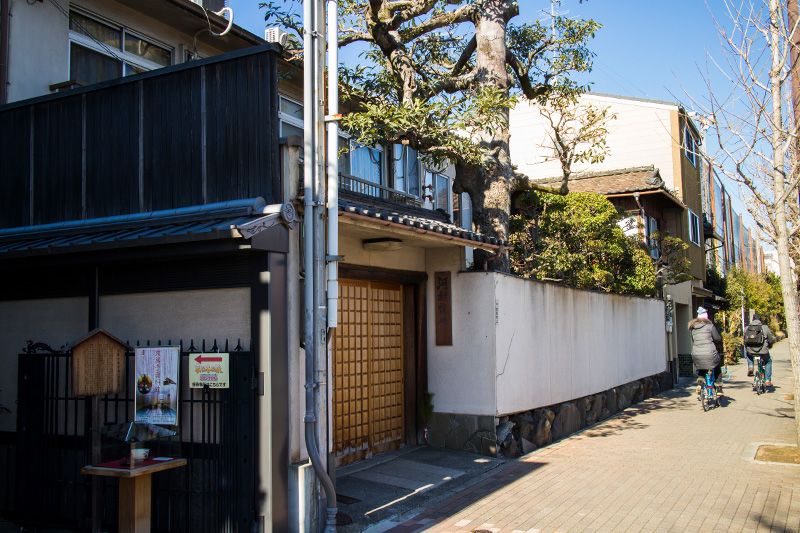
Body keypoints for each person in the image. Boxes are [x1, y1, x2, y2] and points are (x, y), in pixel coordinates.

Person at [689, 306, 723, 394]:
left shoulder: (693, 328)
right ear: (706, 317)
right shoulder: (710, 326)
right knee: (717, 366)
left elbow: (694, 340)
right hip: (710, 353)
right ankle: (719, 388)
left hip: (696, 353)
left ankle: (700, 383)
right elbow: (717, 339)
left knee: (702, 367)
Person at [744, 314, 776, 387]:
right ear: (760, 320)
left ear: (752, 319)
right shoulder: (765, 327)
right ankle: (767, 380)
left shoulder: (747, 328)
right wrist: (770, 346)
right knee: (768, 361)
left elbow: (745, 340)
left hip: (751, 351)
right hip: (763, 350)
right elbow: (770, 339)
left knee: (748, 354)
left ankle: (751, 366)